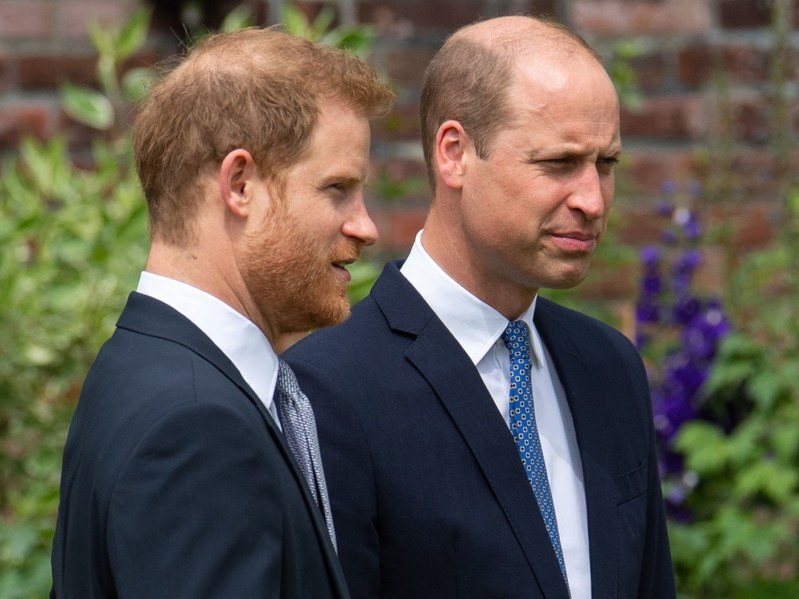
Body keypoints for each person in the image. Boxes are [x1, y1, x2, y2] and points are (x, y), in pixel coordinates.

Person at [284, 15, 675, 599]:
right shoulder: (328, 388)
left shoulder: (610, 368)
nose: (593, 200)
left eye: (606, 164)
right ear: (455, 153)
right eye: (558, 163)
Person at [50, 27, 393, 598]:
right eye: (337, 189)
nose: (366, 227)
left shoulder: (138, 368)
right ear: (240, 184)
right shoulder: (196, 427)